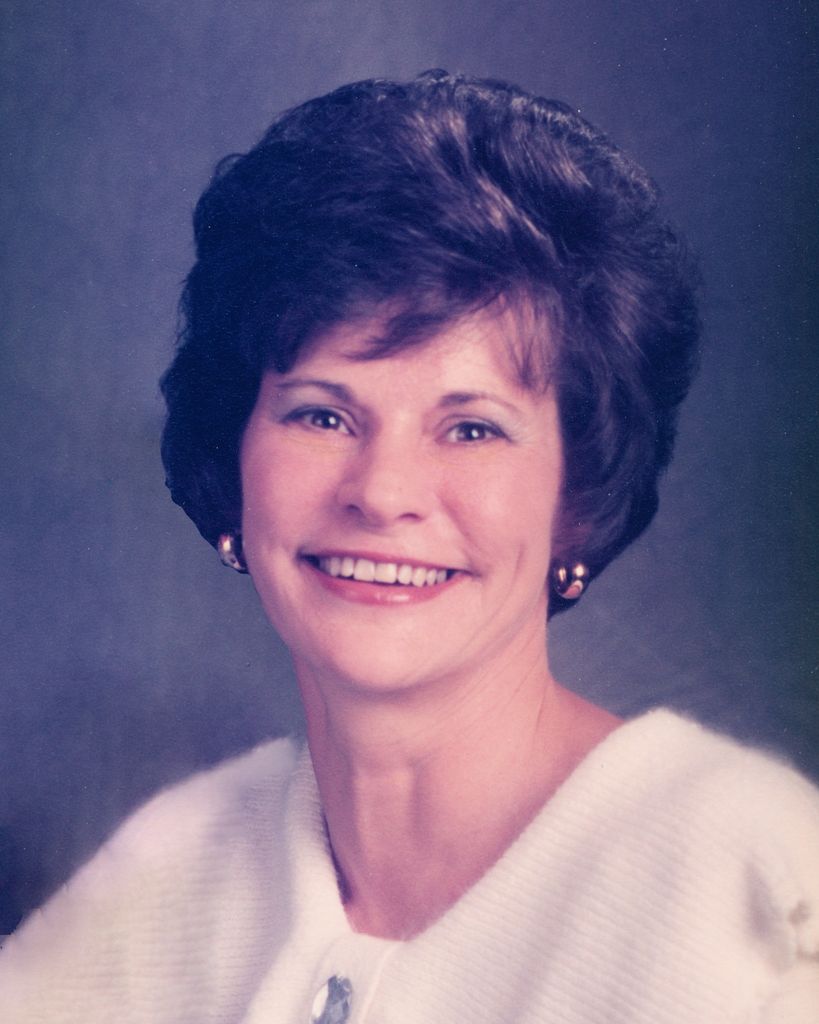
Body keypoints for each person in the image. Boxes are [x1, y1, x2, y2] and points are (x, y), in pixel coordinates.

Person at [1, 70, 817, 1023]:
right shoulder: (165, 874)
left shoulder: (758, 895)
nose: (382, 493)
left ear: (579, 490)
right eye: (321, 415)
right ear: (233, 456)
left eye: (471, 428)